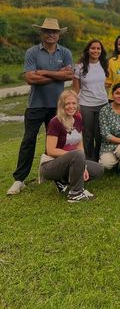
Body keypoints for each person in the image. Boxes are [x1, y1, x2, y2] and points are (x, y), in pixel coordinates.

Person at [7, 18, 73, 196]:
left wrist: (43, 72)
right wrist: (57, 74)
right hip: (35, 105)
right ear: (42, 33)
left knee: (57, 142)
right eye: (47, 31)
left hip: (57, 107)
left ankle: (54, 175)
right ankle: (19, 180)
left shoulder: (65, 53)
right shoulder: (32, 52)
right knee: (28, 141)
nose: (51, 34)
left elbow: (69, 76)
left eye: (54, 32)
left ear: (59, 35)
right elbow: (30, 78)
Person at [39, 90, 104, 202]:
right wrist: (74, 156)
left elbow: (79, 144)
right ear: (61, 105)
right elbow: (50, 150)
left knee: (98, 169)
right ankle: (75, 193)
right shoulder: (55, 122)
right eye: (67, 103)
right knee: (77, 155)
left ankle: (63, 181)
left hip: (73, 160)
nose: (71, 106)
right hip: (50, 164)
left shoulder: (78, 117)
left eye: (74, 103)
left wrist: (83, 165)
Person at [72, 39, 109, 161]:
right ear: (88, 50)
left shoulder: (105, 64)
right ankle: (88, 160)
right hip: (85, 105)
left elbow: (109, 82)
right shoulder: (80, 66)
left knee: (100, 135)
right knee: (87, 135)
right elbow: (75, 88)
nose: (95, 51)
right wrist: (74, 104)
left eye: (98, 48)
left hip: (103, 104)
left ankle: (99, 158)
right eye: (93, 48)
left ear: (101, 50)